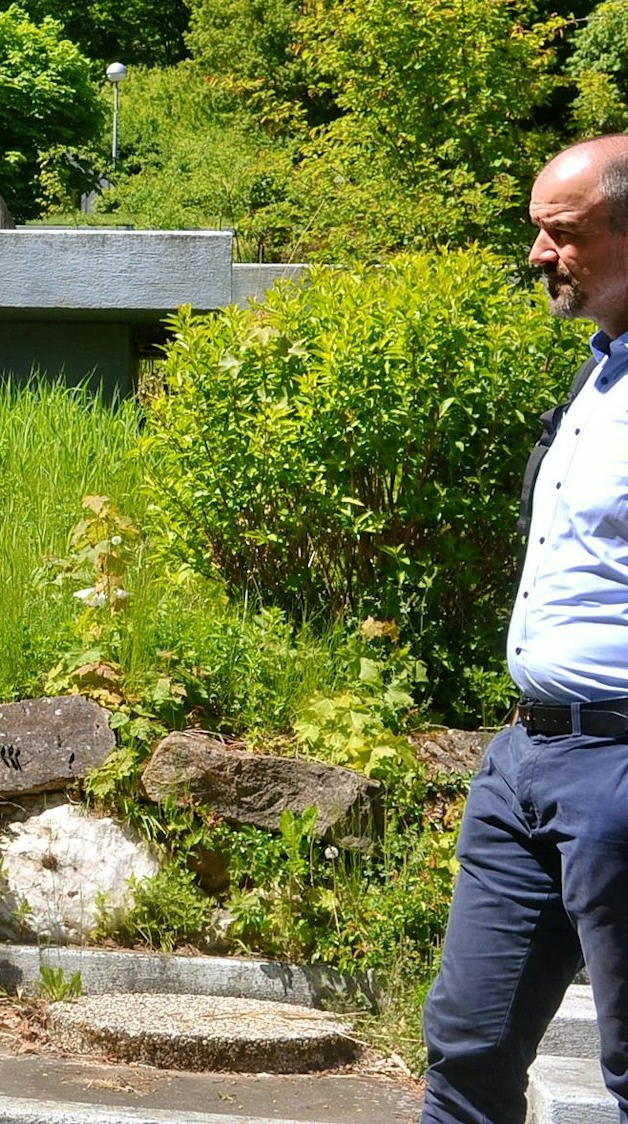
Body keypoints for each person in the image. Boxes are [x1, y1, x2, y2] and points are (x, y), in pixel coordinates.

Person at [420, 134, 628, 1124]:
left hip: (620, 768)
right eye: (536, 233)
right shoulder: (598, 375)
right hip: (526, 759)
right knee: (466, 1046)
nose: (539, 256)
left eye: (563, 234)